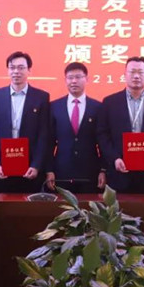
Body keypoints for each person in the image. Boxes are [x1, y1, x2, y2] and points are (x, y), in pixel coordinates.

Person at [96, 56, 144, 193]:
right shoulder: (110, 102)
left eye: (141, 72)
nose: (136, 76)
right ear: (125, 74)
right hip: (119, 173)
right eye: (132, 72)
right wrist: (114, 159)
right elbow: (103, 135)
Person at [0, 51, 50, 193]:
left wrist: (36, 165)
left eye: (21, 68)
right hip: (2, 167)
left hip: (30, 168)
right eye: (12, 67)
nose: (16, 71)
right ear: (8, 70)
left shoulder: (41, 97)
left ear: (29, 70)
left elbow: (44, 135)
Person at [46, 62, 104, 193]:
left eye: (78, 77)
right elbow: (49, 142)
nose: (74, 81)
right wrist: (49, 170)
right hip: (61, 172)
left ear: (87, 79)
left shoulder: (98, 107)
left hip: (90, 172)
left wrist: (103, 170)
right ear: (65, 80)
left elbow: (103, 142)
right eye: (70, 77)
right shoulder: (54, 107)